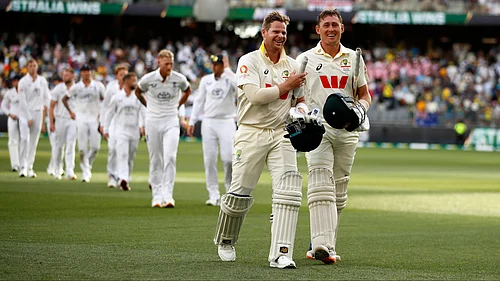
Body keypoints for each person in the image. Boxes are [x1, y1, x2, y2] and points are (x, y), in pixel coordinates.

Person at [213, 11, 308, 269]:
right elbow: (254, 96)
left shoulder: (294, 65)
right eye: (275, 31)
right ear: (264, 33)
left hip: (282, 133)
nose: (280, 36)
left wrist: (300, 112)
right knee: (240, 193)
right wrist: (286, 85)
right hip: (251, 131)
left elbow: (299, 99)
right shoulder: (248, 61)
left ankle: (281, 253)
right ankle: (226, 240)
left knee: (288, 192)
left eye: (284, 32)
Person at [296, 8, 371, 264]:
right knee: (320, 184)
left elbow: (364, 94)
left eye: (335, 25)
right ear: (318, 29)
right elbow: (297, 95)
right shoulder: (305, 58)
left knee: (338, 192)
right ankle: (322, 246)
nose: (331, 29)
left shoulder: (355, 58)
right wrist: (302, 113)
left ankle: (323, 241)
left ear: (342, 28)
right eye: (326, 24)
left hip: (348, 131)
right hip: (318, 130)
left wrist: (360, 111)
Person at [135, 49, 191, 208]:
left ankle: (168, 195)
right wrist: (148, 106)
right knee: (155, 158)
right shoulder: (149, 79)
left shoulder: (178, 78)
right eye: (166, 64)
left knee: (170, 156)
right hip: (152, 121)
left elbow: (187, 90)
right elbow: (138, 91)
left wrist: (178, 105)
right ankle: (156, 196)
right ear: (158, 62)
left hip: (171, 121)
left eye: (171, 64)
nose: (169, 67)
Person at [187, 54, 237, 206]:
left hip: (227, 121)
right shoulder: (206, 80)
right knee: (209, 160)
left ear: (223, 65)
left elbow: (241, 87)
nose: (216, 67)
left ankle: (230, 191)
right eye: (214, 65)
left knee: (229, 158)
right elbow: (199, 101)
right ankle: (213, 194)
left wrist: (228, 71)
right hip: (208, 122)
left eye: (219, 65)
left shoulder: (230, 78)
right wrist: (192, 120)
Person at [63, 64, 105, 182]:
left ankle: (88, 165)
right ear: (81, 73)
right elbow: (64, 99)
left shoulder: (98, 86)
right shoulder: (77, 87)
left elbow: (106, 100)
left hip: (94, 119)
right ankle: (85, 172)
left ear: (91, 72)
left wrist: (102, 113)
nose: (86, 73)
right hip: (81, 119)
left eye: (88, 71)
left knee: (96, 147)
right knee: (82, 148)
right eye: (84, 71)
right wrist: (71, 112)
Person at [103, 73, 146, 191]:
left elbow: (143, 113)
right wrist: (106, 128)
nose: (135, 83)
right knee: (122, 154)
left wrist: (143, 126)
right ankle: (123, 179)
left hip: (134, 131)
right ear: (126, 82)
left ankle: (126, 177)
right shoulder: (117, 97)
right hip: (121, 131)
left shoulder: (138, 96)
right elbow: (109, 113)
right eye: (133, 81)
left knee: (130, 157)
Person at [18, 58, 51, 178]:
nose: (33, 68)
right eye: (30, 66)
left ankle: (30, 167)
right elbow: (22, 101)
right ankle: (22, 167)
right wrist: (28, 117)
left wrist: (46, 114)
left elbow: (47, 98)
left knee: (34, 141)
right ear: (27, 68)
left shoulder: (42, 81)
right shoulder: (23, 82)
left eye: (34, 65)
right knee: (25, 139)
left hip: (38, 112)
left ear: (37, 67)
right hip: (24, 114)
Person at [100, 64, 129, 188]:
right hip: (112, 122)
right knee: (112, 149)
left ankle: (122, 176)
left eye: (125, 75)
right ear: (116, 76)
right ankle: (112, 176)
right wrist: (103, 124)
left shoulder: (131, 89)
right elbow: (105, 107)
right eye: (121, 74)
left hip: (126, 124)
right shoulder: (111, 89)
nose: (123, 77)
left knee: (123, 151)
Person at [49, 67, 78, 180]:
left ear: (72, 76)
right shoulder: (58, 88)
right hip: (60, 119)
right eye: (63, 75)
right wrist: (51, 122)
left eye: (66, 75)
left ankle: (70, 171)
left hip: (73, 120)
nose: (64, 77)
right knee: (59, 146)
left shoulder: (77, 88)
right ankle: (58, 169)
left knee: (71, 145)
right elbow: (51, 106)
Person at [1, 75, 23, 172]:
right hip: (13, 118)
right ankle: (15, 164)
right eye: (14, 81)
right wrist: (10, 114)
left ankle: (23, 164)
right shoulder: (10, 93)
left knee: (24, 141)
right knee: (13, 141)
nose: (15, 83)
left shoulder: (25, 92)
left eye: (17, 81)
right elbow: (3, 106)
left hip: (23, 119)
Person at [46, 75, 62, 177]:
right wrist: (52, 121)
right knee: (55, 146)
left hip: (61, 121)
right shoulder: (52, 94)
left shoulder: (63, 92)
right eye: (55, 82)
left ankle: (54, 167)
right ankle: (54, 168)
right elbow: (49, 108)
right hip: (52, 120)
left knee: (59, 146)